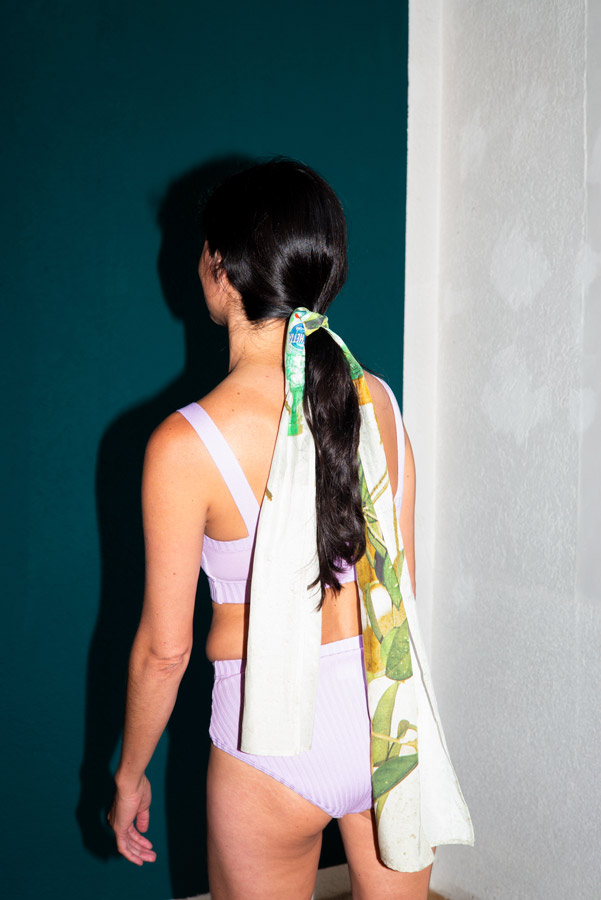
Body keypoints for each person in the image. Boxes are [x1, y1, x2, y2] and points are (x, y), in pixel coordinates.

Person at [109, 159, 472, 900]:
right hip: (384, 718)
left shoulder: (185, 444)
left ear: (220, 270)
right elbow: (397, 583)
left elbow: (165, 652)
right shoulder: (377, 400)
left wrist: (128, 773)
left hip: (267, 743)